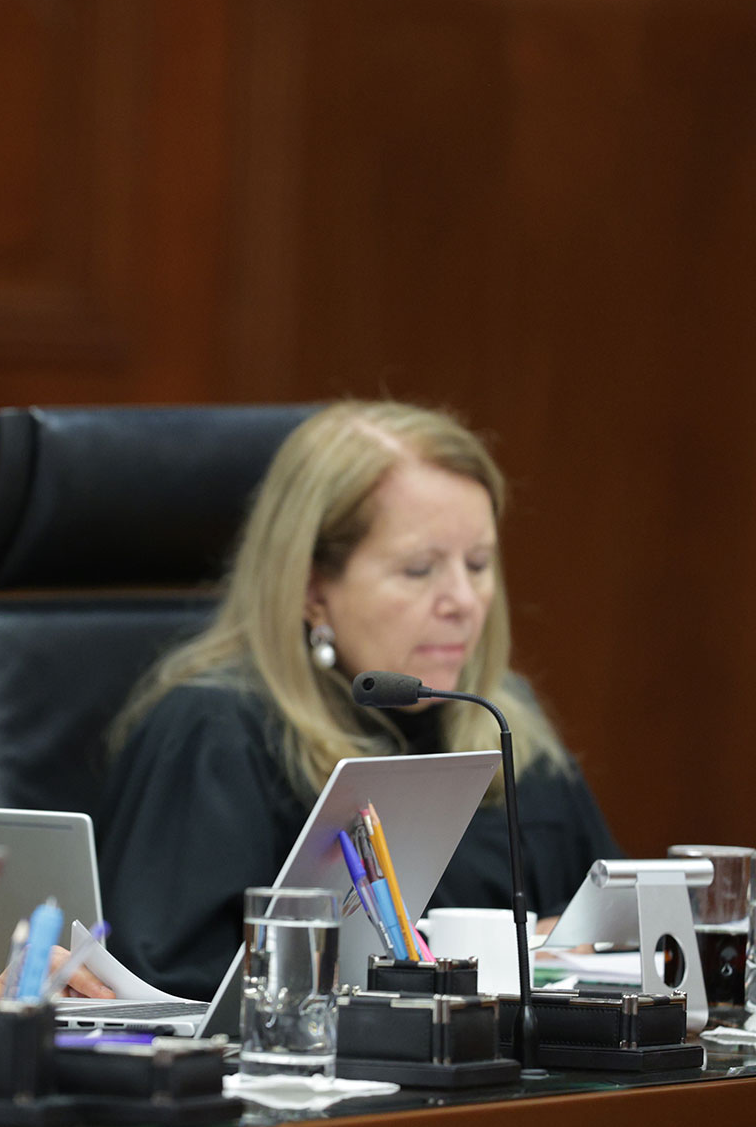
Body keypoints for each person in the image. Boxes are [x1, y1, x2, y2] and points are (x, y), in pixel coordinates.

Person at [97, 401, 620, 999]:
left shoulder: (503, 721)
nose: (463, 600)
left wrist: (572, 945)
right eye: (419, 569)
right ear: (312, 590)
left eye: (478, 563)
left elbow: (609, 926)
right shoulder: (213, 733)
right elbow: (171, 997)